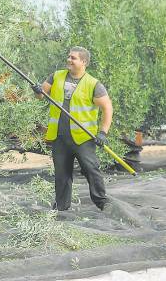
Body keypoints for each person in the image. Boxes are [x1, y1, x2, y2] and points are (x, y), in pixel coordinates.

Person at [32, 46, 113, 211]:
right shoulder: (56, 76)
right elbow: (41, 95)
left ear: (83, 62)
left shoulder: (93, 84)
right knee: (61, 174)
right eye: (69, 56)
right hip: (59, 137)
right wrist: (37, 91)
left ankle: (103, 203)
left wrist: (103, 133)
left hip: (83, 138)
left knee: (91, 169)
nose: (69, 60)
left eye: (73, 58)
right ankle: (61, 208)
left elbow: (107, 108)